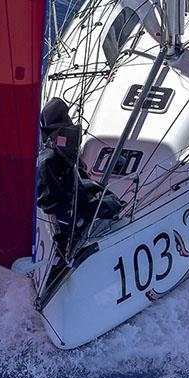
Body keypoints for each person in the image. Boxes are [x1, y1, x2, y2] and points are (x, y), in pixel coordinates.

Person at [36, 98, 121, 259]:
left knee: (111, 205)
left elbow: (78, 178)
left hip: (75, 206)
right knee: (110, 207)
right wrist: (69, 214)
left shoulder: (61, 151)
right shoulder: (49, 157)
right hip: (67, 220)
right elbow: (47, 199)